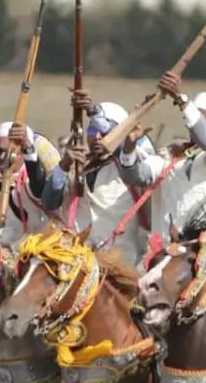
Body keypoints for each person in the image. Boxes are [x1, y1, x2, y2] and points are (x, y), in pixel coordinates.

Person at [118, 71, 206, 244]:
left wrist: (181, 99)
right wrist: (129, 145)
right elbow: (133, 176)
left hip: (205, 253)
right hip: (162, 253)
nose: (192, 122)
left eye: (203, 117)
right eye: (195, 115)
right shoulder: (171, 156)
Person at [57, 96, 158, 262]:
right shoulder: (78, 165)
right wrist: (63, 165)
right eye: (92, 130)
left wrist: (93, 111)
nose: (97, 136)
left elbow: (126, 152)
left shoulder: (135, 159)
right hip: (80, 261)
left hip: (121, 264)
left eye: (104, 131)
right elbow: (49, 201)